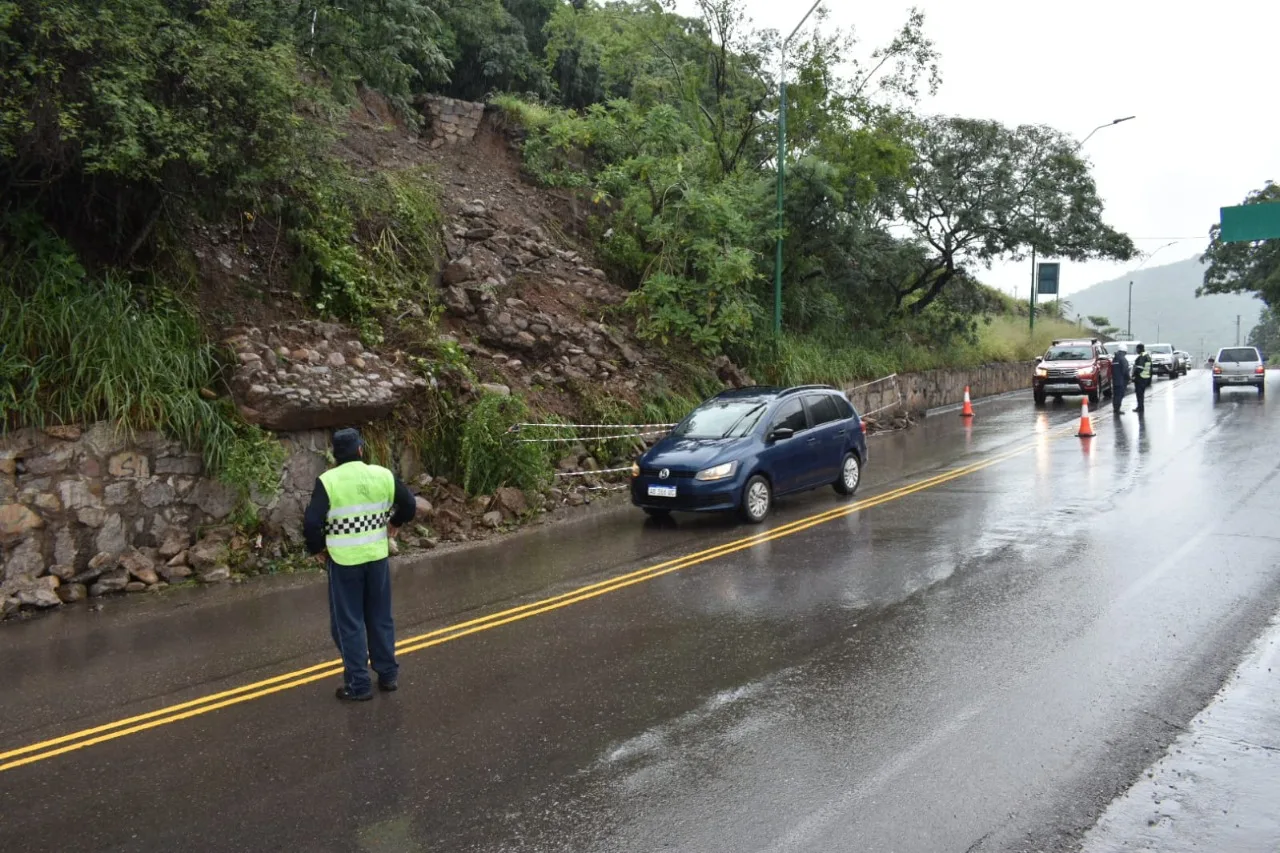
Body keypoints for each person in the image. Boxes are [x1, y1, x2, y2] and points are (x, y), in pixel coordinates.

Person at [304, 428, 416, 702]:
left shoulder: (328, 481)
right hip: (376, 558)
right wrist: (395, 523)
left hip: (344, 563)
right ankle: (388, 676)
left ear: (334, 455)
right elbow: (410, 504)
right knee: (380, 618)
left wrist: (318, 548)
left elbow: (311, 523)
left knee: (349, 623)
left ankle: (359, 685)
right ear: (360, 450)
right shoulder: (382, 475)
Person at [1131, 343, 1154, 415]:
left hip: (1140, 378)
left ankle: (1140, 408)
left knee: (1139, 394)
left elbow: (1139, 368)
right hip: (1145, 378)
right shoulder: (1147, 356)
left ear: (1139, 349)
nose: (1136, 350)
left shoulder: (1142, 357)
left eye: (1137, 349)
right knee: (1141, 394)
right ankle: (1140, 407)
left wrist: (1134, 375)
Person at [1111, 346, 1130, 415]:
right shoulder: (1123, 359)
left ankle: (1115, 409)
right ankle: (1117, 409)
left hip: (1115, 380)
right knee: (1120, 395)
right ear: (1124, 351)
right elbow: (1125, 370)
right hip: (1121, 381)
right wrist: (1129, 378)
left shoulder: (1115, 359)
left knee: (1115, 395)